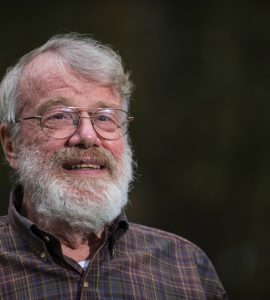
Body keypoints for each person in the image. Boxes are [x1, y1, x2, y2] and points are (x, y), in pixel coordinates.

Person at [0, 33, 227, 299]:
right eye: (59, 116)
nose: (87, 136)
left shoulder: (187, 268)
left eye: (105, 117)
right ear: (11, 145)